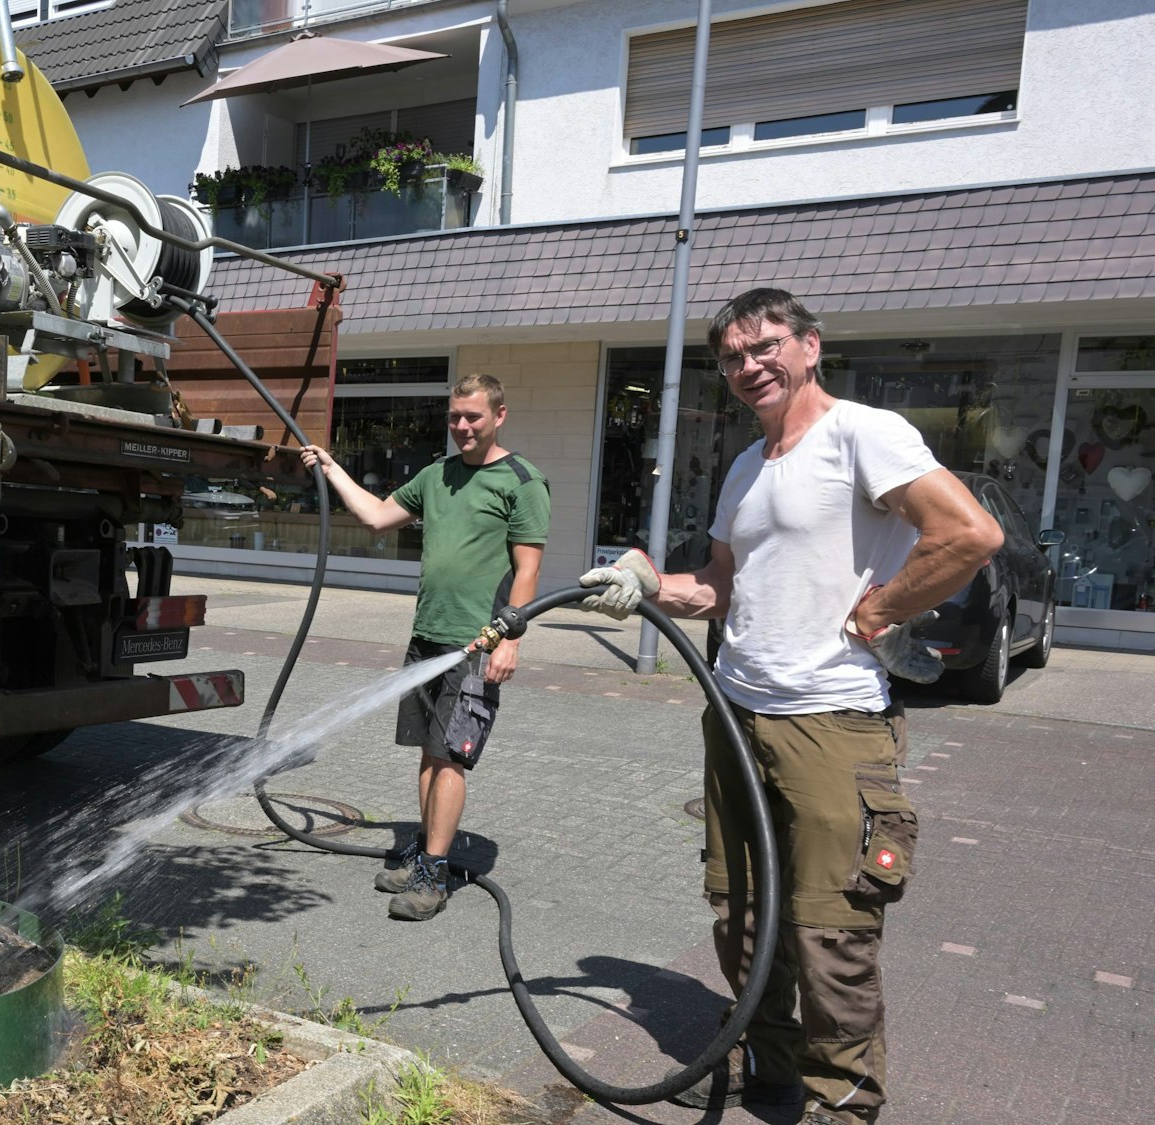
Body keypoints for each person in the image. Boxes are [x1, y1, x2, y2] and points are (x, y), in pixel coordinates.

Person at [578, 289, 1002, 1124]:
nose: (748, 366)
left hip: (832, 723)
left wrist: (878, 612)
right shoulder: (748, 465)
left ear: (811, 346)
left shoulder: (861, 434)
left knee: (829, 929)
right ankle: (771, 1068)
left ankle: (841, 1101)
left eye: (765, 346)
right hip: (738, 715)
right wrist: (646, 584)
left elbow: (969, 534)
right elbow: (719, 587)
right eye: (733, 356)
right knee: (741, 915)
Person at [300, 373, 550, 921]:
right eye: (456, 417)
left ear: (499, 416)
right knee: (427, 752)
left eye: (474, 417)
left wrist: (511, 640)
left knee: (452, 760)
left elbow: (528, 571)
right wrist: (332, 467)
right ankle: (424, 851)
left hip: (477, 644)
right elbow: (375, 518)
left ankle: (433, 874)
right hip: (426, 639)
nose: (463, 426)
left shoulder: (522, 480)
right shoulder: (437, 476)